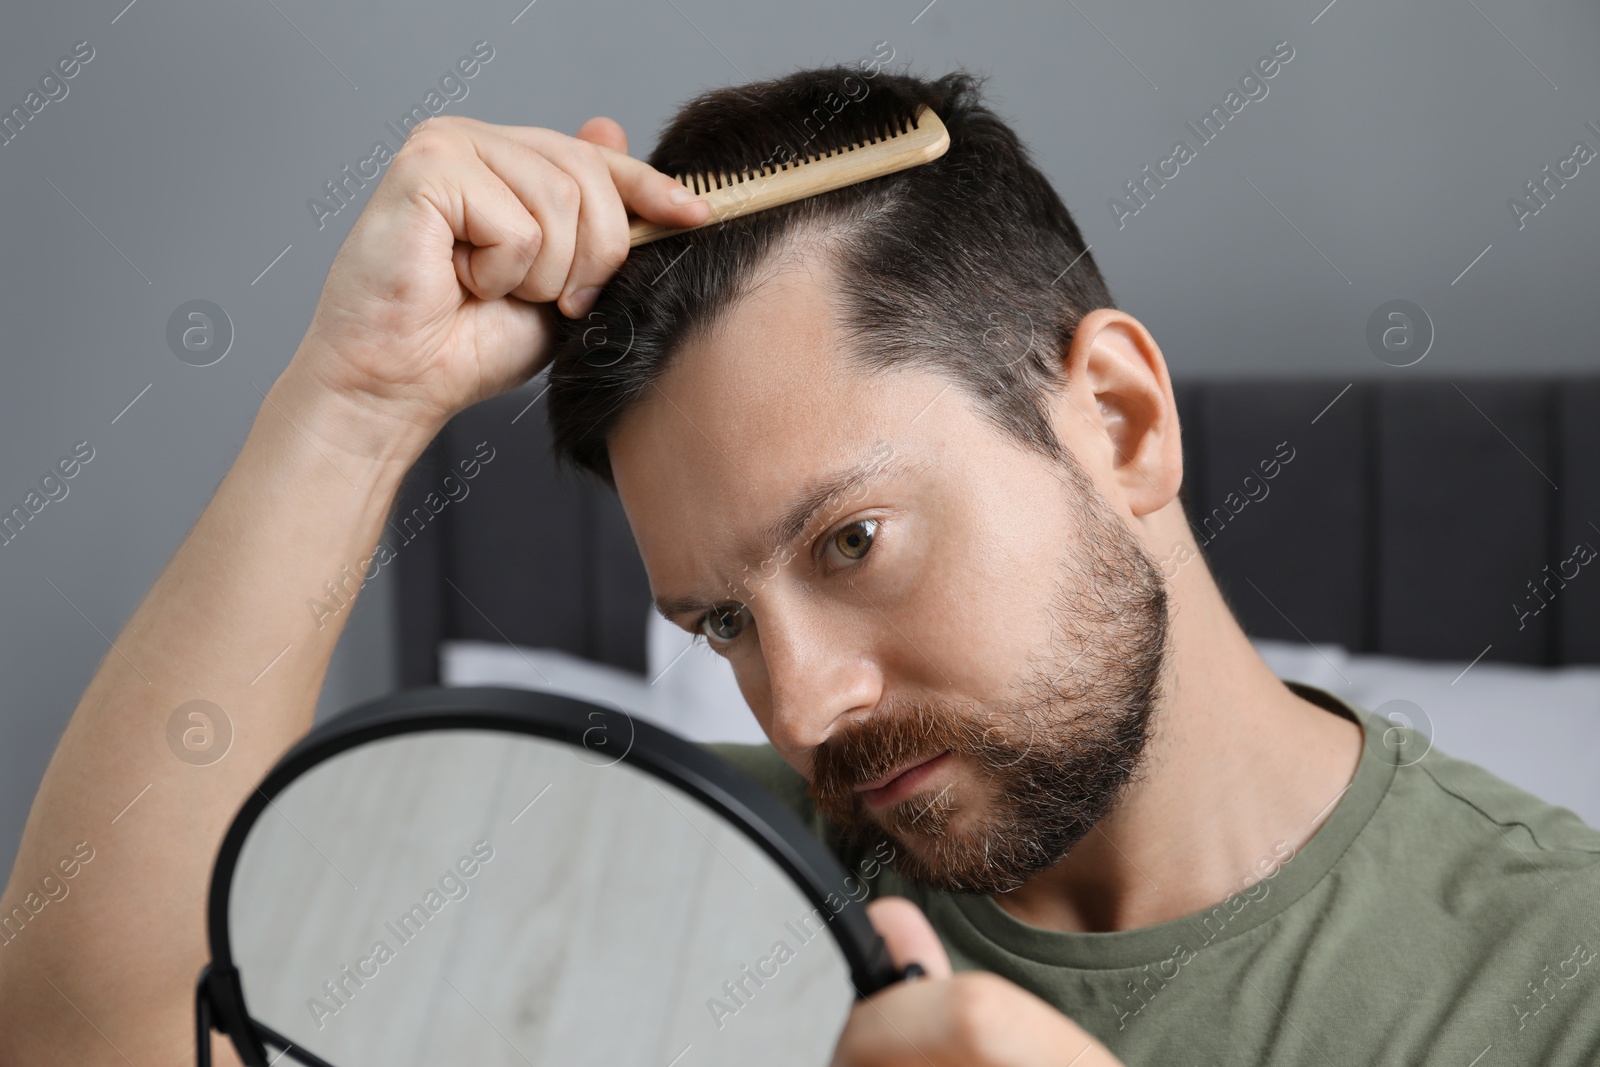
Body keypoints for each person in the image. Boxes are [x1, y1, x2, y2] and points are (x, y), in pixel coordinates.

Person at [0, 61, 1594, 1067]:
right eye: (719, 622)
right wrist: (352, 408)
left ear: (1115, 418)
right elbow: (90, 1043)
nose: (805, 707)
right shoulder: (651, 872)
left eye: (854, 542)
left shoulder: (1550, 979)